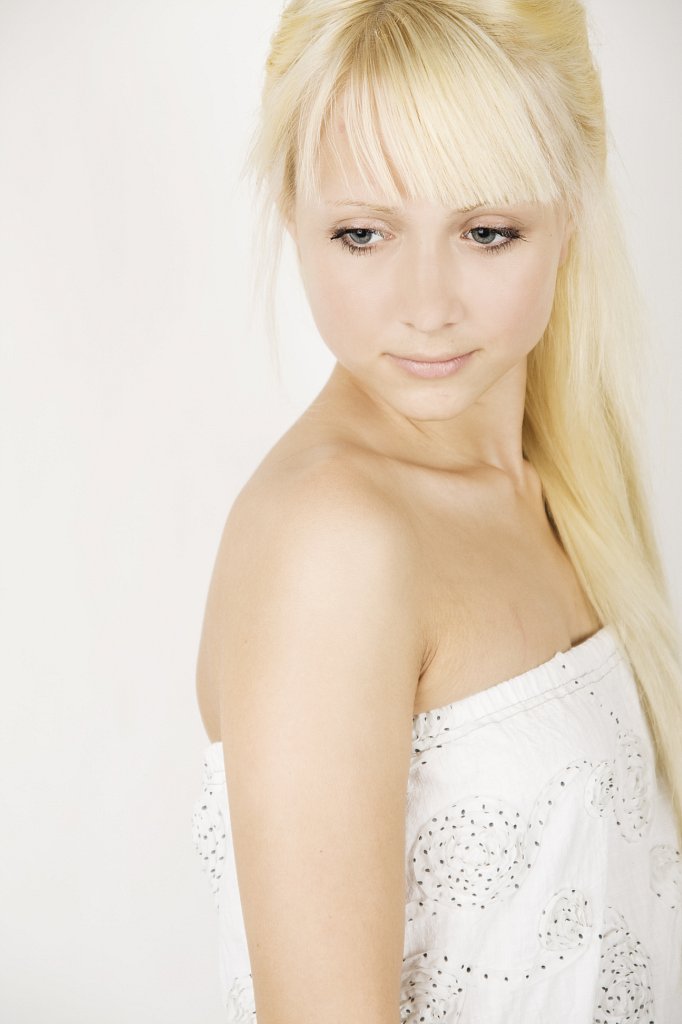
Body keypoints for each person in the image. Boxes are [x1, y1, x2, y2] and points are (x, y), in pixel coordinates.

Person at [192, 1, 682, 1020]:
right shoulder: (332, 540)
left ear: (574, 204)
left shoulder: (559, 484)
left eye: (486, 231)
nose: (425, 306)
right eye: (363, 233)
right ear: (291, 210)